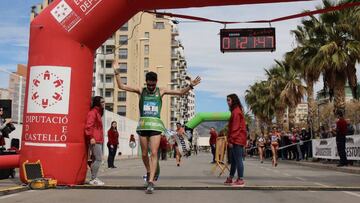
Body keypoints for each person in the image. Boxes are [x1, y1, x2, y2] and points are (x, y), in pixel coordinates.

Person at [113, 62, 201, 194]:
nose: (150, 87)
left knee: (153, 153)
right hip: (143, 125)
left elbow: (181, 92)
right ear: (146, 82)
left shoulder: (162, 91)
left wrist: (191, 86)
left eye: (153, 85)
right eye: (148, 84)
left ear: (156, 82)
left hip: (155, 126)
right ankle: (149, 171)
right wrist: (117, 73)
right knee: (144, 154)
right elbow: (121, 86)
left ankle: (151, 181)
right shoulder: (140, 90)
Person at [224, 94, 247, 187]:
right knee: (233, 160)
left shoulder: (236, 112)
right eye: (227, 100)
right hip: (236, 138)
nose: (227, 102)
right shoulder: (235, 111)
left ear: (233, 100)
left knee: (238, 160)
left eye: (229, 100)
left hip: (237, 139)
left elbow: (235, 128)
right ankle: (231, 177)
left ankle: (240, 179)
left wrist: (231, 140)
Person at [85, 96, 105, 185]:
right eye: (102, 102)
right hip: (95, 140)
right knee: (99, 159)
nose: (104, 103)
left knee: (95, 159)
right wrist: (91, 137)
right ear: (97, 103)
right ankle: (93, 178)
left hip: (98, 139)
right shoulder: (93, 113)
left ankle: (94, 178)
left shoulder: (98, 112)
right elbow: (89, 126)